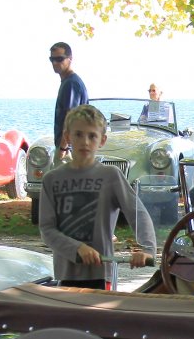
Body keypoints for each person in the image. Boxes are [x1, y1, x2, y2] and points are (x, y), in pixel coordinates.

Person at [38, 104, 158, 290]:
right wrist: (77, 248)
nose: (85, 142)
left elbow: (138, 214)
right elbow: (47, 229)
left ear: (102, 140)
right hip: (65, 274)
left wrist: (147, 249)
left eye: (92, 136)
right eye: (78, 134)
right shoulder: (52, 179)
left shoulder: (111, 176)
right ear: (67, 137)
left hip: (101, 274)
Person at [50, 41, 88, 158]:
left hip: (70, 150)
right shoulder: (68, 82)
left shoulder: (71, 84)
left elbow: (71, 119)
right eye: (52, 59)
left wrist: (62, 149)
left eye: (59, 59)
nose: (55, 63)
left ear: (70, 59)